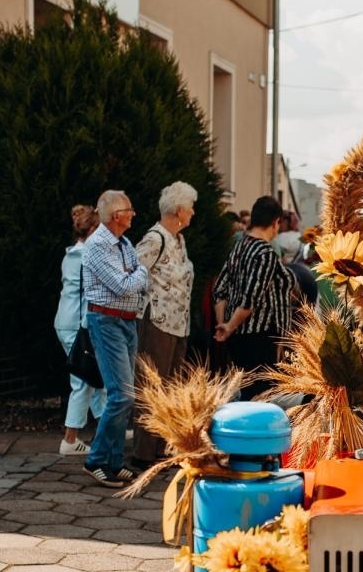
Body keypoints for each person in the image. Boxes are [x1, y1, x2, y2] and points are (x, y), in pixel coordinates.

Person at [81, 190, 149, 487]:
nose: (133, 213)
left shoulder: (124, 243)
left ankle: (114, 461)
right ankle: (96, 460)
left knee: (125, 395)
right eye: (129, 209)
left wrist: (135, 275)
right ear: (115, 215)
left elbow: (131, 281)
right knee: (121, 395)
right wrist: (141, 272)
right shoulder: (98, 245)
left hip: (126, 321)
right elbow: (123, 284)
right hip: (106, 321)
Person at [131, 181, 197, 468]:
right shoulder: (155, 239)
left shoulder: (179, 240)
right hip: (156, 321)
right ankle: (143, 453)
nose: (194, 213)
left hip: (178, 324)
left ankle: (160, 446)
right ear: (179, 210)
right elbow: (131, 273)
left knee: (170, 387)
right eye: (191, 207)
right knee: (151, 386)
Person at [212, 195, 297, 399]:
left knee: (248, 392)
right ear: (275, 223)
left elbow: (219, 289)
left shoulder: (239, 246)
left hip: (238, 336)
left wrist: (224, 323)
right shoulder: (265, 253)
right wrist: (229, 326)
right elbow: (251, 299)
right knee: (260, 396)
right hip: (259, 337)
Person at [53, 204, 106, 455]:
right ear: (93, 228)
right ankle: (70, 440)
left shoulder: (71, 254)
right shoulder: (88, 257)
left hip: (66, 320)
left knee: (92, 377)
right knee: (84, 380)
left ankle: (106, 423)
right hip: (77, 323)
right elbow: (89, 296)